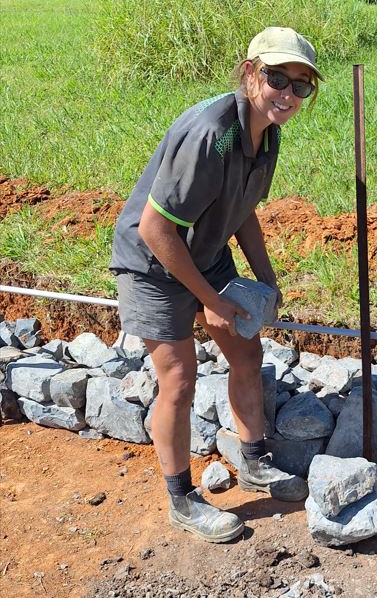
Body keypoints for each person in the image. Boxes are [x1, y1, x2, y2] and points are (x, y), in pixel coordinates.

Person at [109, 27, 322, 543]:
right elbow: (155, 229)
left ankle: (253, 461)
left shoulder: (267, 132)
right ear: (250, 73)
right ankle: (182, 498)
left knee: (247, 355)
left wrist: (266, 278)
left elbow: (243, 210)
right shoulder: (213, 134)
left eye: (301, 86)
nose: (288, 95)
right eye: (277, 79)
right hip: (152, 263)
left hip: (203, 252)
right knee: (178, 381)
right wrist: (210, 302)